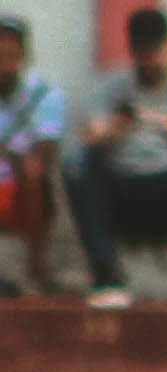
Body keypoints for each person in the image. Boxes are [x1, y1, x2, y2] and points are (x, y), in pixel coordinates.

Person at [60, 6, 167, 307]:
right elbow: (90, 135)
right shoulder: (111, 85)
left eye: (155, 51)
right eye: (141, 52)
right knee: (76, 161)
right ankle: (106, 274)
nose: (149, 61)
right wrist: (120, 126)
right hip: (121, 184)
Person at [0, 16, 63, 297]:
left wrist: (14, 158)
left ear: (24, 56)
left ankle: (36, 272)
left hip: (23, 189)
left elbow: (44, 154)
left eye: (10, 56)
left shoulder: (45, 96)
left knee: (32, 177)